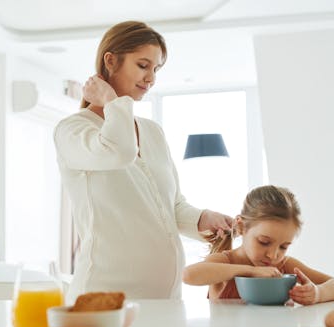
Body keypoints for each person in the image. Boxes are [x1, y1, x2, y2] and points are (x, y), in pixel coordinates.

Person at [54, 21, 232, 303]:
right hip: (104, 300)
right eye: (143, 65)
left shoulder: (153, 132)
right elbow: (119, 151)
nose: (151, 78)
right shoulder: (73, 131)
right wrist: (111, 101)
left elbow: (171, 206)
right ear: (110, 61)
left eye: (156, 69)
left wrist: (202, 219)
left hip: (166, 301)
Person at [182, 185, 334, 305]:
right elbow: (188, 275)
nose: (273, 255)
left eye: (284, 246)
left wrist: (318, 293)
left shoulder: (285, 265)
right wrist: (251, 271)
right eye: (264, 242)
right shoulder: (224, 261)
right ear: (241, 227)